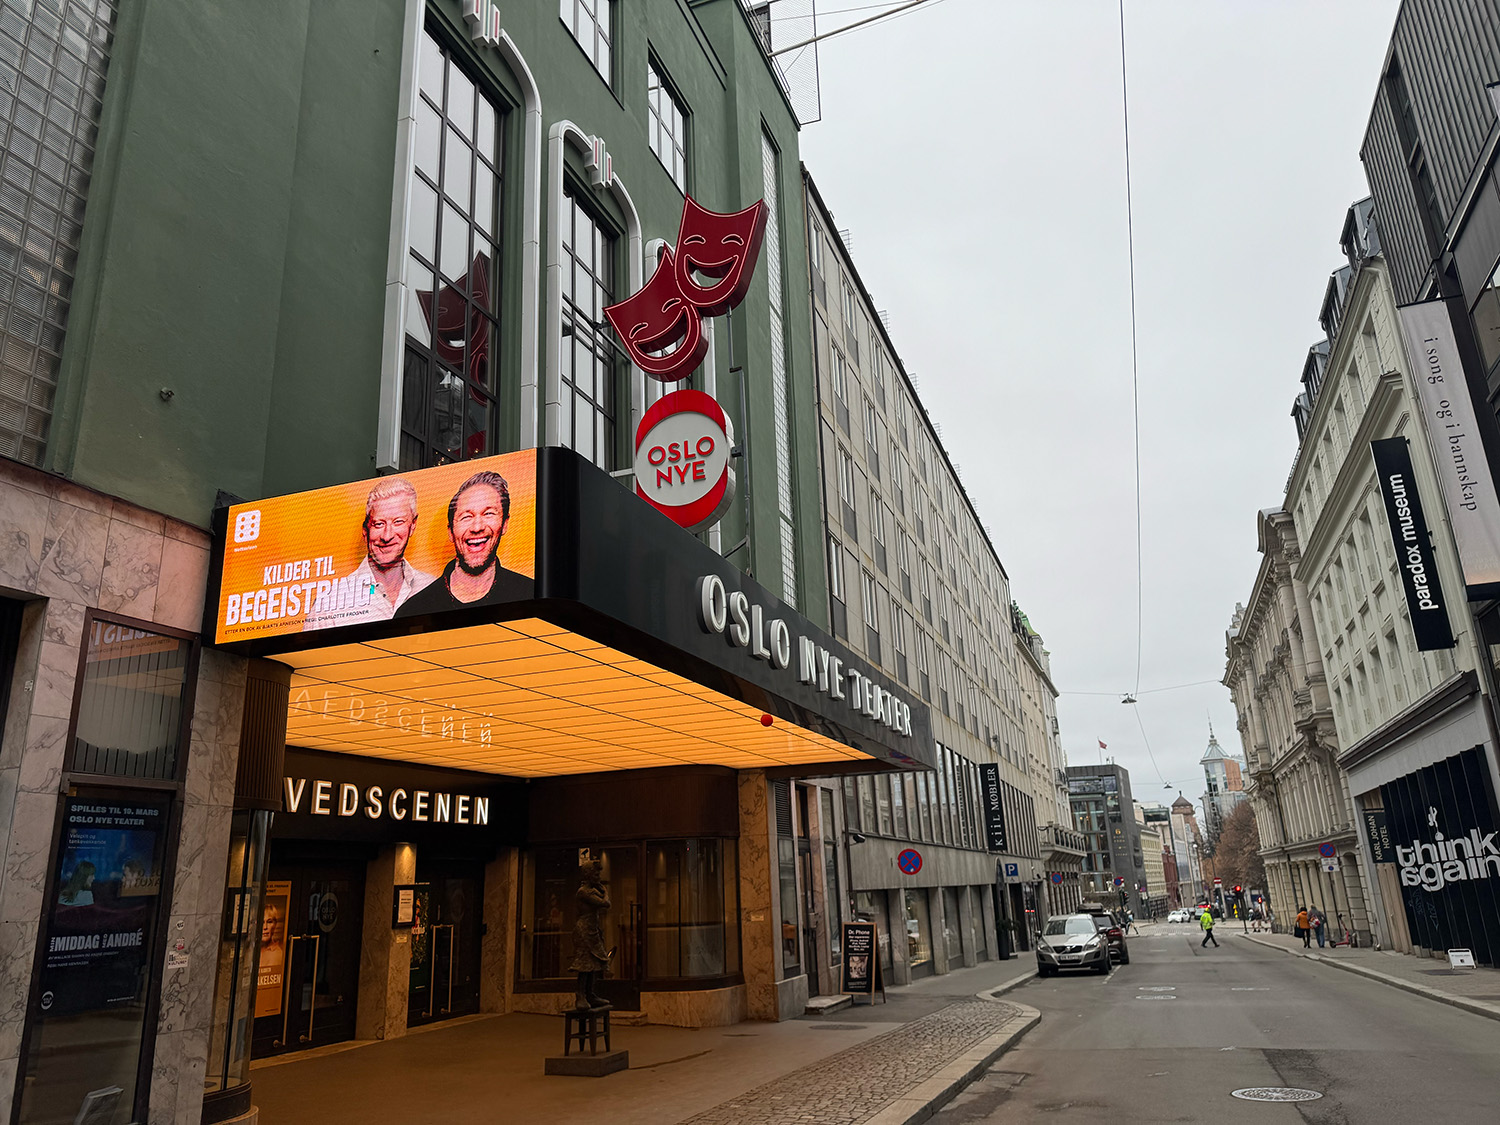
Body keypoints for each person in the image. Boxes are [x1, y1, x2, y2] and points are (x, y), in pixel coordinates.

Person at [395, 470, 532, 617]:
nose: (477, 527)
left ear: (505, 523)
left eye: (488, 514)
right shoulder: (413, 611)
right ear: (450, 532)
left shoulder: (530, 597)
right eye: (466, 517)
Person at [569, 858, 612, 1010]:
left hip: (592, 929)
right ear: (588, 874)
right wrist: (605, 891)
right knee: (585, 963)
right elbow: (605, 903)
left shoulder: (592, 890)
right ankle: (580, 995)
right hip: (584, 930)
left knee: (595, 962)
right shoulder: (584, 892)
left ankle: (590, 994)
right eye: (596, 874)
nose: (599, 877)